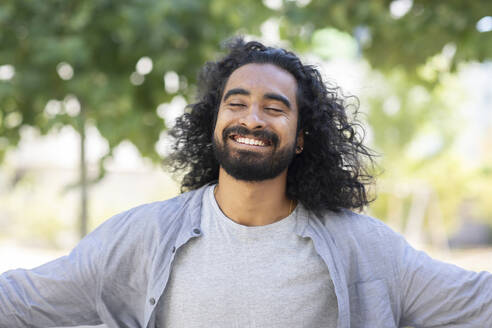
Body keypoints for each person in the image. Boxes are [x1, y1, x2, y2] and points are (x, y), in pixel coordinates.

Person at [1, 38, 491, 328]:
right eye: (235, 104)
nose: (251, 118)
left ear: (301, 138)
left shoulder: (366, 249)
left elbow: (474, 302)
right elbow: (27, 299)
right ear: (213, 122)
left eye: (274, 108)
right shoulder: (143, 237)